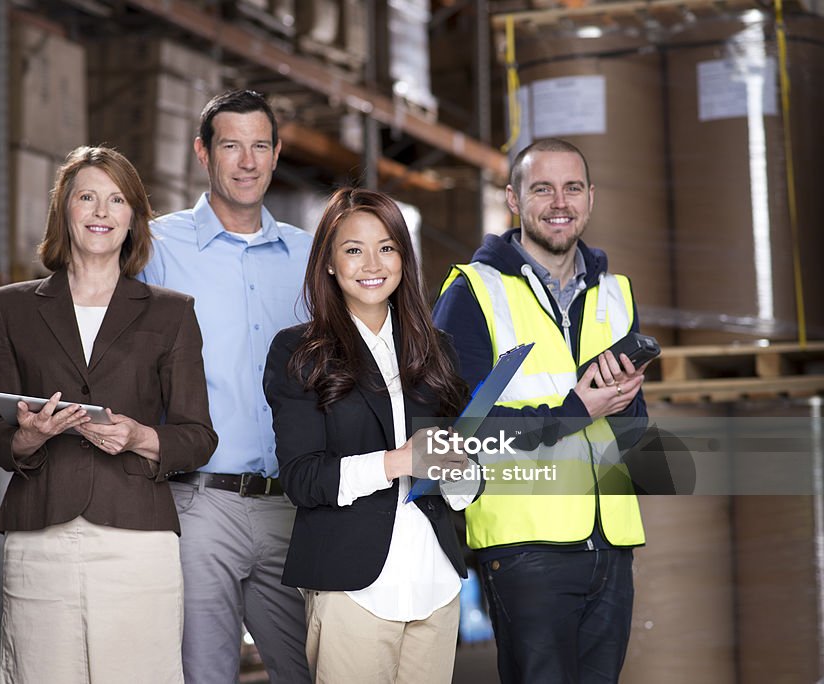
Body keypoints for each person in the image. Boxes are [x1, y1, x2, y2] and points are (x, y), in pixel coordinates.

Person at [0, 146, 218, 683]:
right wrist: (28, 436)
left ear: (134, 217)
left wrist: (138, 436)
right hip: (40, 533)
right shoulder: (12, 307)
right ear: (64, 209)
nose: (100, 211)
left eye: (116, 200)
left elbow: (198, 436)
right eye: (87, 196)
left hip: (137, 537)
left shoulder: (171, 312)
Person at [432, 138, 649, 683]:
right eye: (542, 188)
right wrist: (577, 409)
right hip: (525, 547)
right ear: (512, 198)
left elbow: (632, 427)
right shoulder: (474, 292)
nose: (560, 201)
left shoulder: (615, 292)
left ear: (590, 198)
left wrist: (622, 407)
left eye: (572, 188)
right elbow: (458, 432)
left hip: (611, 544)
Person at [263, 187, 475, 684]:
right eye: (353, 249)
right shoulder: (299, 352)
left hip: (435, 583)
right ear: (330, 263)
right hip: (352, 588)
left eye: (387, 247)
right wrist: (397, 462)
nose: (372, 263)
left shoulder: (436, 348)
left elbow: (466, 471)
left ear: (404, 256)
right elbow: (302, 479)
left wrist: (461, 469)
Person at [138, 89, 313, 684]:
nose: (246, 161)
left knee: (309, 669)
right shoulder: (157, 250)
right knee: (203, 673)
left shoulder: (310, 256)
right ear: (202, 154)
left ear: (276, 153)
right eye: (231, 146)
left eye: (259, 146)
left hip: (293, 504)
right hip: (200, 503)